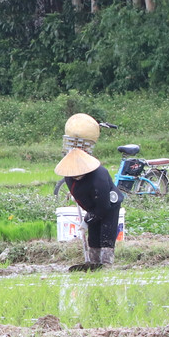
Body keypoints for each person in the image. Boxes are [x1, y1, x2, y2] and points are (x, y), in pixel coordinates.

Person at [56, 113, 123, 272]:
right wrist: (87, 215)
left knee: (106, 233)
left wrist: (87, 220)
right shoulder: (69, 176)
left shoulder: (98, 176)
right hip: (93, 206)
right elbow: (80, 193)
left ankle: (106, 264)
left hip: (108, 205)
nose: (75, 175)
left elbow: (103, 207)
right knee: (93, 235)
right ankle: (93, 263)